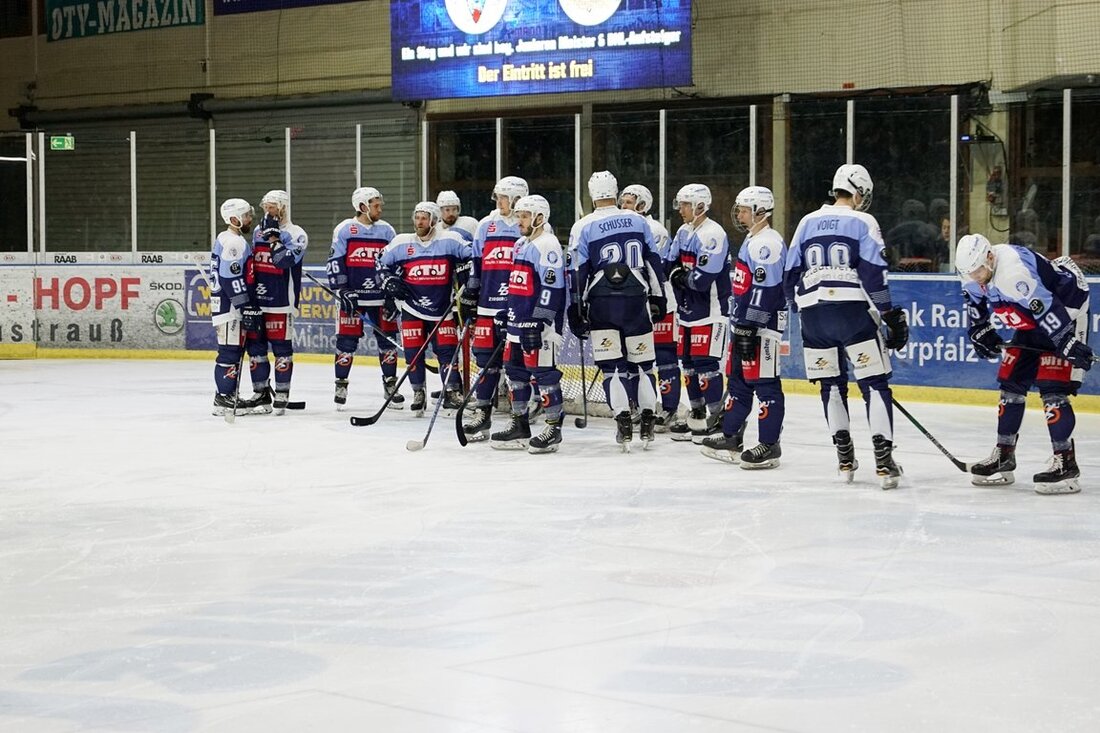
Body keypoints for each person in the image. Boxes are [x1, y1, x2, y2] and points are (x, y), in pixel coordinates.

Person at [783, 163, 910, 489]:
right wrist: (888, 313)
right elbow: (873, 273)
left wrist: (801, 308)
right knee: (874, 384)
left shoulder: (806, 222)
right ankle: (884, 463)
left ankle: (844, 459)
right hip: (852, 312)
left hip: (813, 316)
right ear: (858, 193)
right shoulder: (863, 221)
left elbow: (789, 273)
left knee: (830, 386)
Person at [956, 233, 1093, 494]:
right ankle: (1004, 454)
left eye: (978, 272)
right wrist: (979, 329)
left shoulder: (1013, 271)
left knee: (1052, 387)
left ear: (990, 257)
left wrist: (1066, 342)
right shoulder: (971, 269)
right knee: (1011, 381)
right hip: (1031, 318)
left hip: (1066, 310)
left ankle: (1066, 462)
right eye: (970, 273)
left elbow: (1047, 308)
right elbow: (974, 302)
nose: (975, 277)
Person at [568, 170, 666, 450]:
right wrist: (659, 298)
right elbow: (653, 263)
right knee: (644, 365)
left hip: (603, 304)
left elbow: (578, 272)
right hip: (636, 301)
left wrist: (576, 308)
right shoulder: (638, 220)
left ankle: (623, 423)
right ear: (616, 191)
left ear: (592, 194)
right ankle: (647, 420)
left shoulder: (583, 226)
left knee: (612, 368)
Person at [700, 186, 788, 468]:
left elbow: (766, 290)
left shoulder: (768, 243)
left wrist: (750, 325)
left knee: (765, 383)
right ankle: (731, 435)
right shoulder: (753, 239)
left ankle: (770, 445)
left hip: (763, 327)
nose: (738, 214)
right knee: (738, 380)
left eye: (744, 209)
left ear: (760, 212)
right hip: (744, 325)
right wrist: (741, 326)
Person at [489, 195, 568, 453]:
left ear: (539, 218)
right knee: (515, 372)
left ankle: (554, 429)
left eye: (524, 216)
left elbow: (552, 287)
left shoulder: (548, 244)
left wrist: (540, 319)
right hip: (517, 322)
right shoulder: (521, 244)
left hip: (540, 326)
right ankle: (520, 426)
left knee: (544, 374)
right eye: (518, 215)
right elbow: (517, 283)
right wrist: (506, 312)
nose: (519, 221)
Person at [377, 201, 470, 415]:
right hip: (411, 308)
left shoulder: (450, 240)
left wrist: (466, 271)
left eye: (424, 218)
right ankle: (418, 391)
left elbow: (473, 255)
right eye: (417, 217)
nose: (419, 222)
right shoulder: (401, 242)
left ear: (434, 221)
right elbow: (380, 262)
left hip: (443, 308)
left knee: (447, 352)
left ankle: (452, 391)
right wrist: (388, 280)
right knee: (413, 354)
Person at [459, 176, 529, 441]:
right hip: (488, 307)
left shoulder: (527, 226)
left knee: (516, 365)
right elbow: (476, 262)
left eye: (503, 197)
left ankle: (520, 416)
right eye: (498, 197)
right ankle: (483, 414)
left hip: (515, 308)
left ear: (516, 199)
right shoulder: (485, 225)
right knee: (485, 362)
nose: (498, 202)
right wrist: (471, 293)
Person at [667, 183, 731, 443]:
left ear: (700, 206)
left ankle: (717, 419)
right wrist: (680, 275)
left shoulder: (713, 234)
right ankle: (698, 414)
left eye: (685, 204)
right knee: (688, 364)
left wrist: (680, 277)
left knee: (706, 365)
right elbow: (669, 264)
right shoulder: (683, 231)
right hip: (687, 311)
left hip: (712, 311)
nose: (680, 209)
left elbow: (702, 280)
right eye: (680, 204)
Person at [327, 187, 401, 410]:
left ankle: (390, 384)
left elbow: (394, 263)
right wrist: (342, 289)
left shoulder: (387, 230)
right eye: (375, 205)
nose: (380, 209)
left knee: (388, 341)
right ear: (362, 206)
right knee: (346, 342)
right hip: (353, 299)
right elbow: (335, 261)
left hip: (381, 299)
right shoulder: (345, 229)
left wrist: (392, 295)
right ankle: (341, 384)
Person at [618, 183, 683, 432]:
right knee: (634, 358)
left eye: (629, 201)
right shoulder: (622, 228)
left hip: (660, 302)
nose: (623, 205)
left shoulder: (655, 229)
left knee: (665, 357)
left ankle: (669, 409)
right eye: (622, 201)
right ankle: (640, 406)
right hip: (634, 304)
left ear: (642, 205)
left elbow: (656, 269)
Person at [247, 189, 308, 415]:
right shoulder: (257, 231)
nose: (267, 211)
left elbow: (283, 262)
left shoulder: (296, 234)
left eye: (271, 207)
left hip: (281, 301)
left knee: (282, 349)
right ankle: (260, 392)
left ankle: (282, 392)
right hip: (257, 300)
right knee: (256, 349)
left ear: (282, 207)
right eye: (265, 207)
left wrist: (274, 238)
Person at [209, 198, 258, 415]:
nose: (249, 219)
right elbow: (230, 277)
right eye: (245, 216)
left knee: (232, 351)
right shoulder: (234, 243)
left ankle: (227, 396)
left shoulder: (225, 237)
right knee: (229, 353)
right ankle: (223, 398)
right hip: (230, 308)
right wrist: (244, 306)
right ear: (234, 218)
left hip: (226, 306)